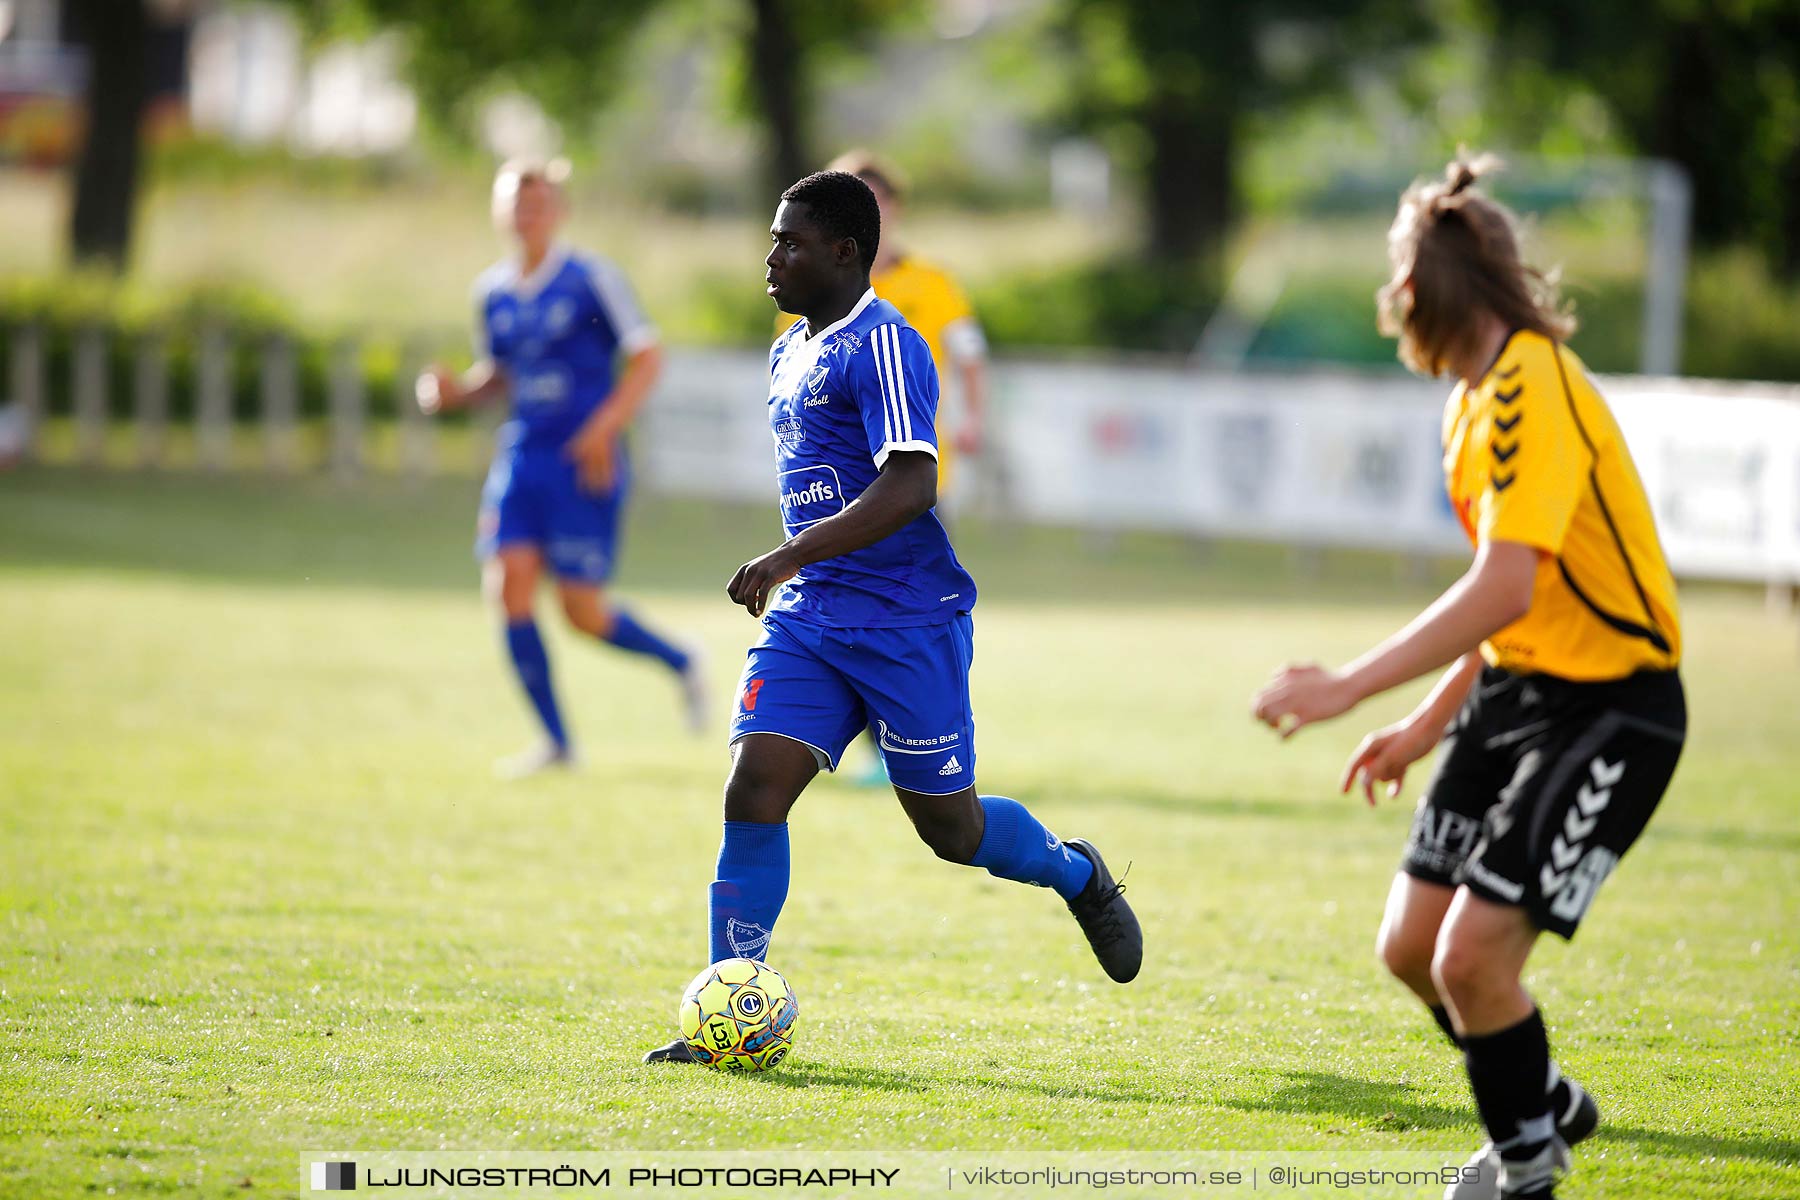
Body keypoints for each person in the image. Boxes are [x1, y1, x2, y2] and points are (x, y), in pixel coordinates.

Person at [1250, 154, 1685, 1200]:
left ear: (1420, 291)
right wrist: (1421, 726)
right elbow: (1512, 611)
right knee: (1411, 947)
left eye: (1395, 281)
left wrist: (1350, 685)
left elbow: (1502, 585)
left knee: (1472, 962)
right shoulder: (1472, 396)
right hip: (1517, 694)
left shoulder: (1530, 383)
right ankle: (1540, 1097)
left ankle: (1527, 1162)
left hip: (1612, 706)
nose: (1389, 304)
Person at [644, 171, 1140, 1063]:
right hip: (811, 617)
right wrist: (800, 569)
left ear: (843, 253)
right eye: (771, 238)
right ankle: (729, 1010)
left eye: (789, 242)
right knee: (754, 786)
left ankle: (1077, 873)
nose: (771, 257)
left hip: (906, 620)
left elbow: (913, 482)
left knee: (953, 832)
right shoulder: (788, 348)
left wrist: (789, 552)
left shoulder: (887, 344)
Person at [417, 158, 706, 778]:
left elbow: (648, 358)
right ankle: (556, 743)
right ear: (499, 214)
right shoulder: (490, 292)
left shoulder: (589, 278)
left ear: (559, 211)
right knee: (508, 584)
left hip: (586, 463)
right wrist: (454, 394)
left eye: (538, 204)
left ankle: (681, 661)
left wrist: (602, 429)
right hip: (523, 456)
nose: (526, 216)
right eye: (515, 205)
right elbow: (499, 375)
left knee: (582, 612)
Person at [776, 150, 991, 786]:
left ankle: (925, 739)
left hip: (913, 481)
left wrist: (974, 415)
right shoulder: (818, 289)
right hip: (835, 493)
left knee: (905, 607)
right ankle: (874, 748)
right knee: (838, 605)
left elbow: (969, 352)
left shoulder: (931, 282)